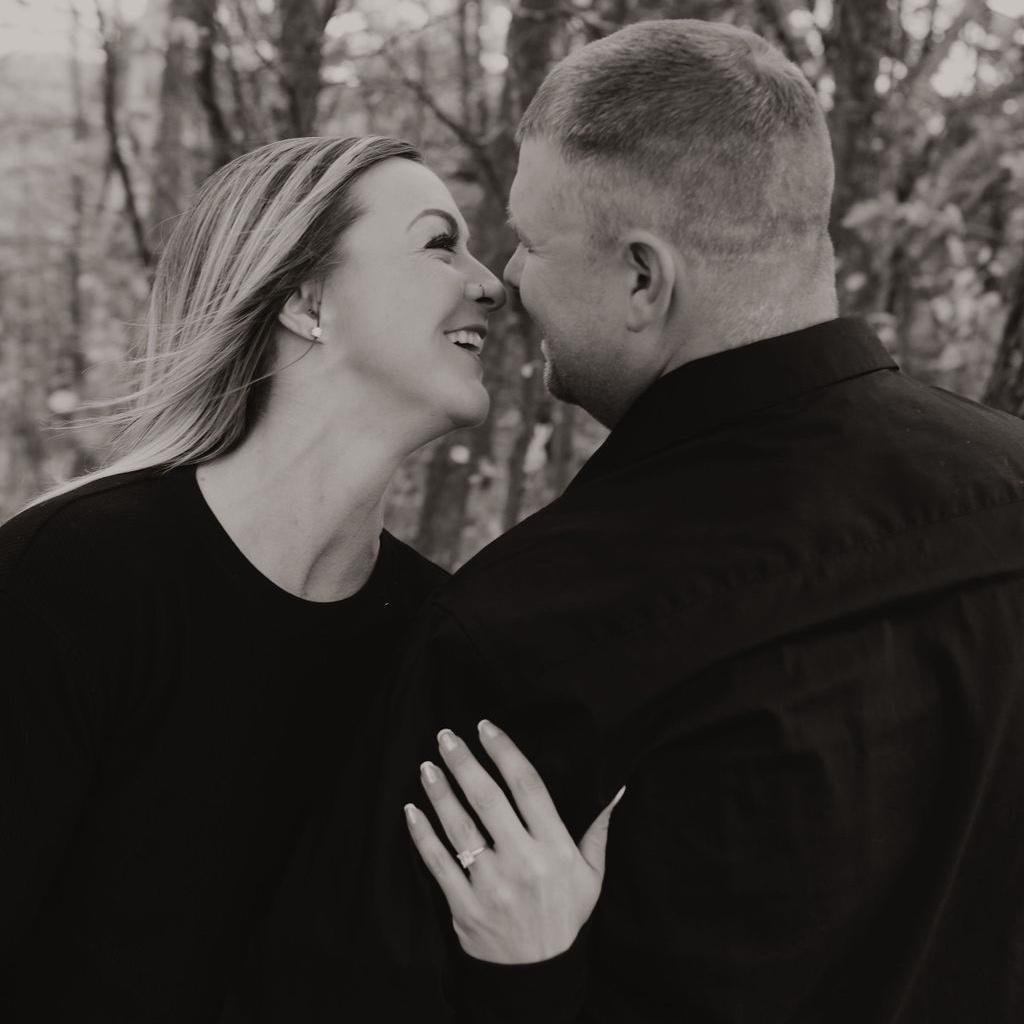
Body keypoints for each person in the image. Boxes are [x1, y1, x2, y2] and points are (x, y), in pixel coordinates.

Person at [375, 19, 1024, 1023]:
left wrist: (525, 981)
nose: (509, 277)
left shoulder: (532, 628)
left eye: (532, 242)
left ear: (644, 277)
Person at [0, 135, 608, 1023]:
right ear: (306, 297)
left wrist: (536, 962)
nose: (491, 283)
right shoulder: (67, 582)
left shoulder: (444, 641)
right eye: (440, 243)